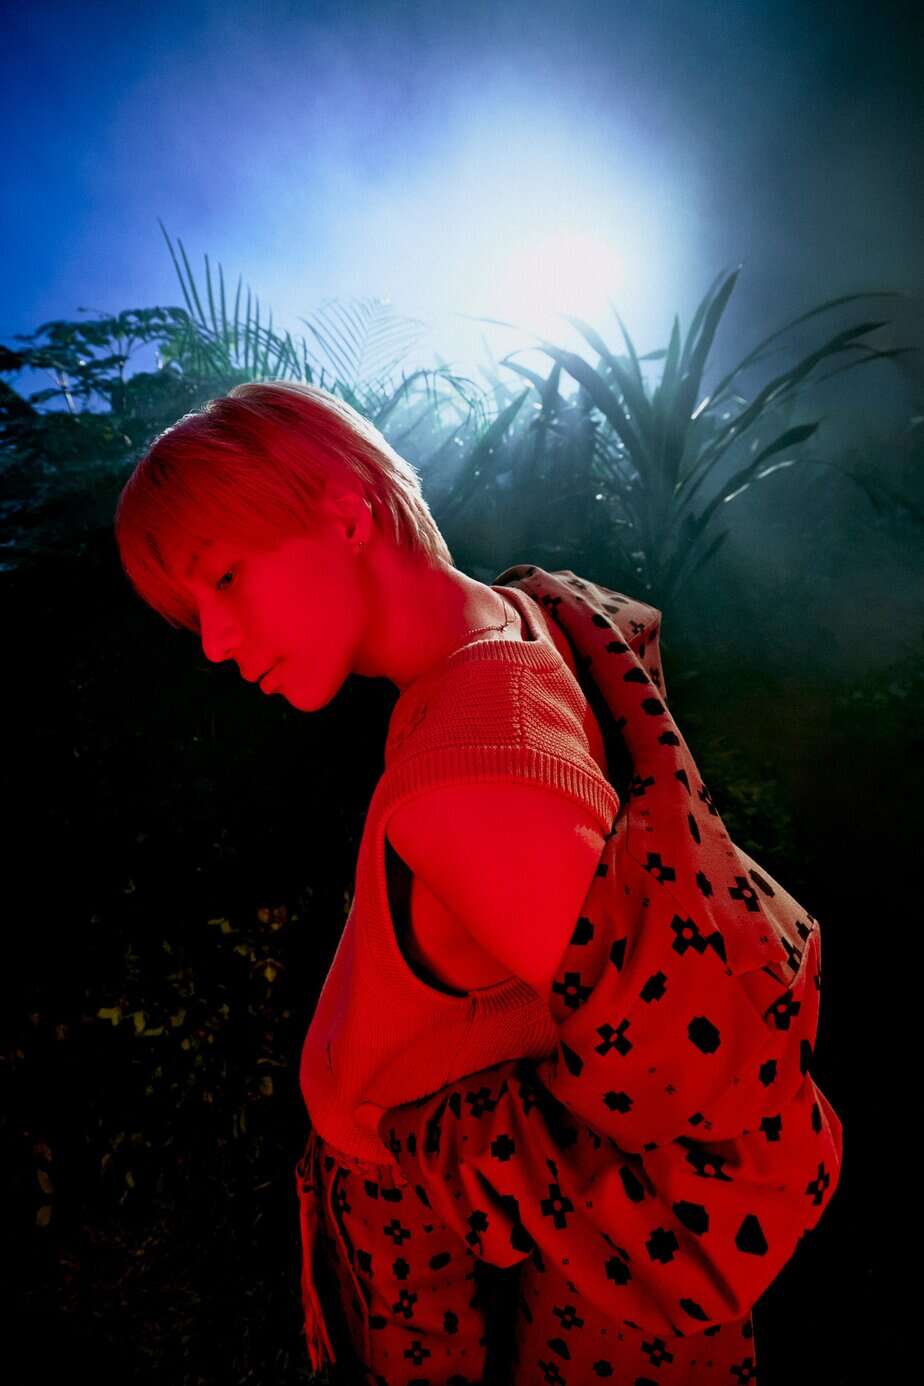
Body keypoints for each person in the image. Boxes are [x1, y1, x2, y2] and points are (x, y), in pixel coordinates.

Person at [114, 381, 843, 1385]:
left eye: (227, 578)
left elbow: (707, 1114)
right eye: (195, 612)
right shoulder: (516, 623)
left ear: (345, 509)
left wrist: (468, 1165)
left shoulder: (473, 779)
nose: (215, 642)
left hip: (428, 1272)